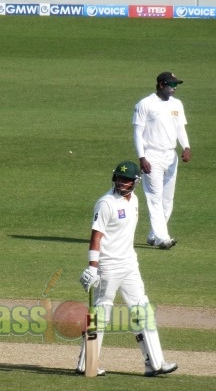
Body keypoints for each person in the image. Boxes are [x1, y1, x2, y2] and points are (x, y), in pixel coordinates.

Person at [76, 160, 177, 377]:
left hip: (130, 264)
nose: (122, 183)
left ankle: (155, 363)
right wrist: (93, 268)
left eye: (126, 180)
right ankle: (87, 364)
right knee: (101, 313)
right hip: (108, 266)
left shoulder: (135, 201)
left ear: (135, 182)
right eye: (119, 179)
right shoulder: (106, 203)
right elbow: (96, 237)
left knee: (142, 309)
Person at [132, 71, 191, 250]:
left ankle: (154, 234)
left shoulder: (177, 104)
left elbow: (180, 128)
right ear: (160, 85)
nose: (174, 88)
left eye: (176, 85)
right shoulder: (145, 104)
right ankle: (162, 238)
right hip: (152, 155)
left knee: (167, 199)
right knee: (154, 198)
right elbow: (137, 132)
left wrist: (186, 147)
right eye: (171, 85)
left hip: (170, 155)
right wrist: (142, 157)